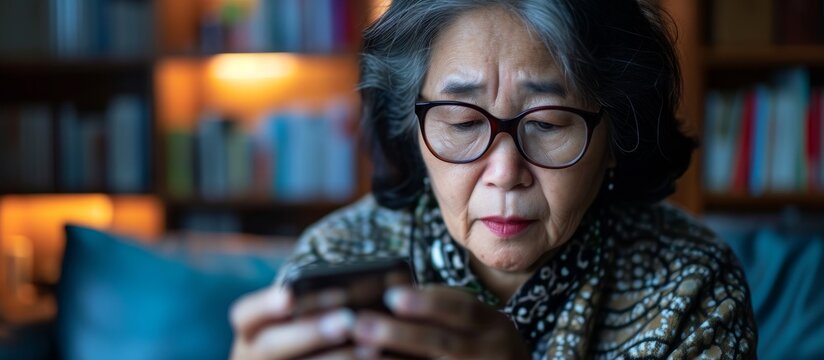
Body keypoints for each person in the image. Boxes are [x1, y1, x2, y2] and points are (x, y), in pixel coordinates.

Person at [230, 0, 757, 358]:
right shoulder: (340, 256)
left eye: (547, 124)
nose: (505, 174)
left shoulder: (690, 286)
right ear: (412, 132)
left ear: (616, 137)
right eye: (461, 122)